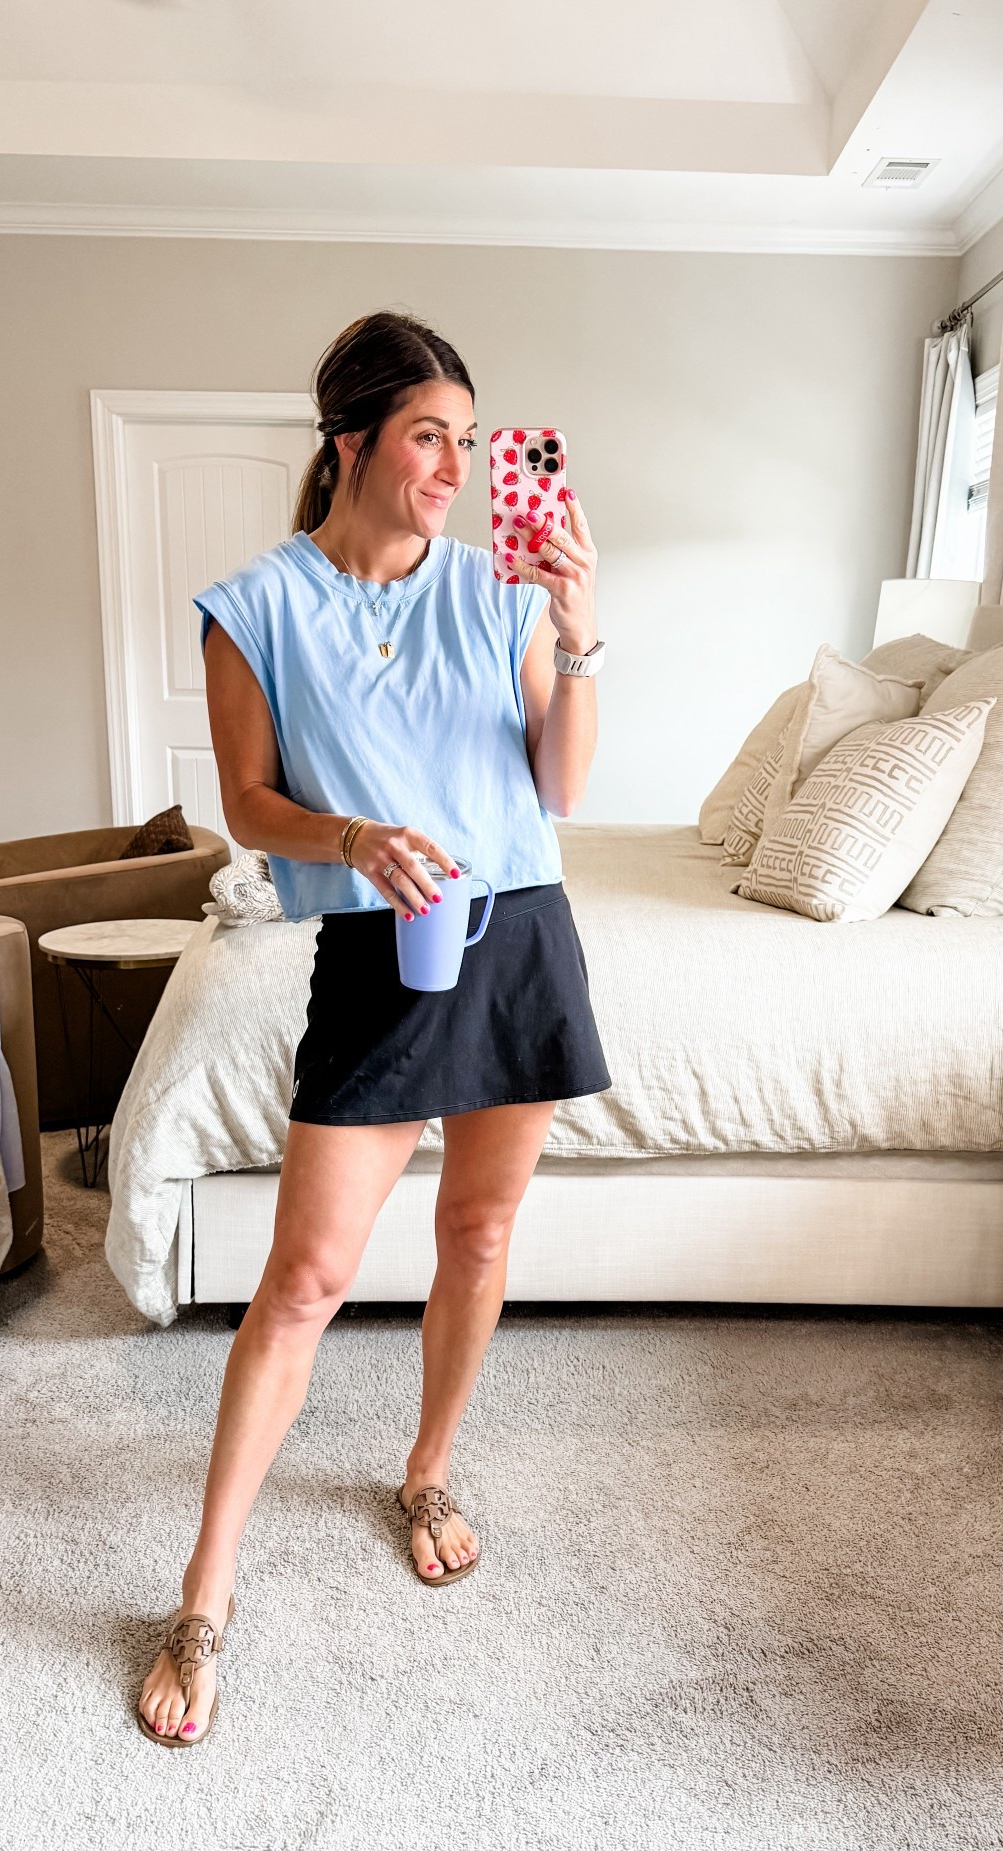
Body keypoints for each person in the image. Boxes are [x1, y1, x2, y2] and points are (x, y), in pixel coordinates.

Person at [136, 311, 612, 1748]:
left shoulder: (502, 588)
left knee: (477, 1234)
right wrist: (351, 837)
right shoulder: (254, 605)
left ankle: (427, 1469)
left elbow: (562, 789)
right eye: (429, 436)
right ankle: (205, 1591)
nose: (456, 467)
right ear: (349, 442)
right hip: (375, 939)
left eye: (470, 440)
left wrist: (580, 635)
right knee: (304, 1282)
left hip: (518, 933)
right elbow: (250, 804)